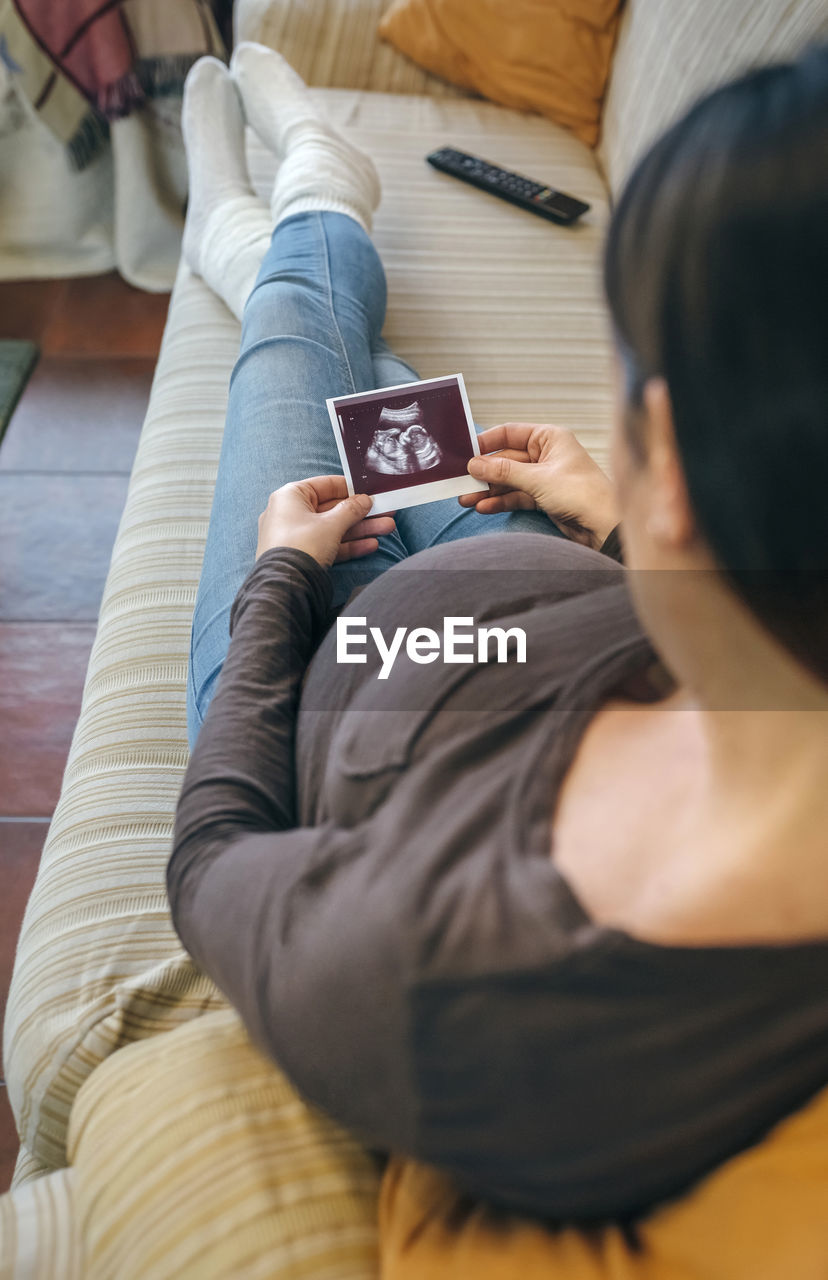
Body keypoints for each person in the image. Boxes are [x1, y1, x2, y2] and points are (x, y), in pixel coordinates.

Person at [169, 43, 828, 1222]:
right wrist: (626, 521)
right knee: (356, 381)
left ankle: (305, 203)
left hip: (313, 664)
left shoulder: (450, 981)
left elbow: (214, 857)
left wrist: (277, 578)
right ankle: (279, 232)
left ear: (670, 447)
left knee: (293, 355)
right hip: (530, 572)